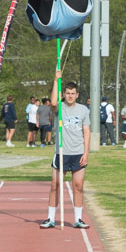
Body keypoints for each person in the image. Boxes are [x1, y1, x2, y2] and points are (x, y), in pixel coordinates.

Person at [39, 75, 91, 230]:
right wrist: (55, 80)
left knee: (78, 185)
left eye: (73, 93)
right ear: (64, 94)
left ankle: (78, 219)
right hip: (61, 153)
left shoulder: (83, 110)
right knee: (55, 185)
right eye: (67, 93)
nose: (70, 96)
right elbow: (53, 103)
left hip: (78, 153)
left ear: (77, 95)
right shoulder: (59, 108)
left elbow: (86, 132)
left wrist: (86, 153)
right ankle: (50, 218)